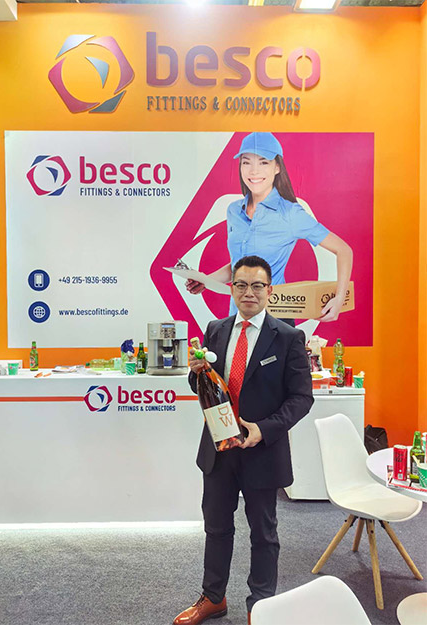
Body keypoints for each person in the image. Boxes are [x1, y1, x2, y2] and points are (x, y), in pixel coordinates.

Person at [173, 255, 314, 625]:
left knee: (263, 533)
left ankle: (261, 605)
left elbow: (302, 398)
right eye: (240, 284)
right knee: (216, 527)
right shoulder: (216, 330)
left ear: (269, 290)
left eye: (256, 285)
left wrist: (264, 429)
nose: (248, 292)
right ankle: (213, 598)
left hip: (261, 451)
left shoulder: (288, 337)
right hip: (218, 450)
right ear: (231, 288)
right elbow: (203, 387)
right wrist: (196, 373)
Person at [186, 131, 353, 322]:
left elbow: (344, 250)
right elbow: (237, 265)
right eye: (246, 162)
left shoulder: (290, 214)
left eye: (263, 162)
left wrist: (339, 299)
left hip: (275, 318)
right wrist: (206, 281)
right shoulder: (234, 211)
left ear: (277, 167)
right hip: (237, 316)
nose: (253, 171)